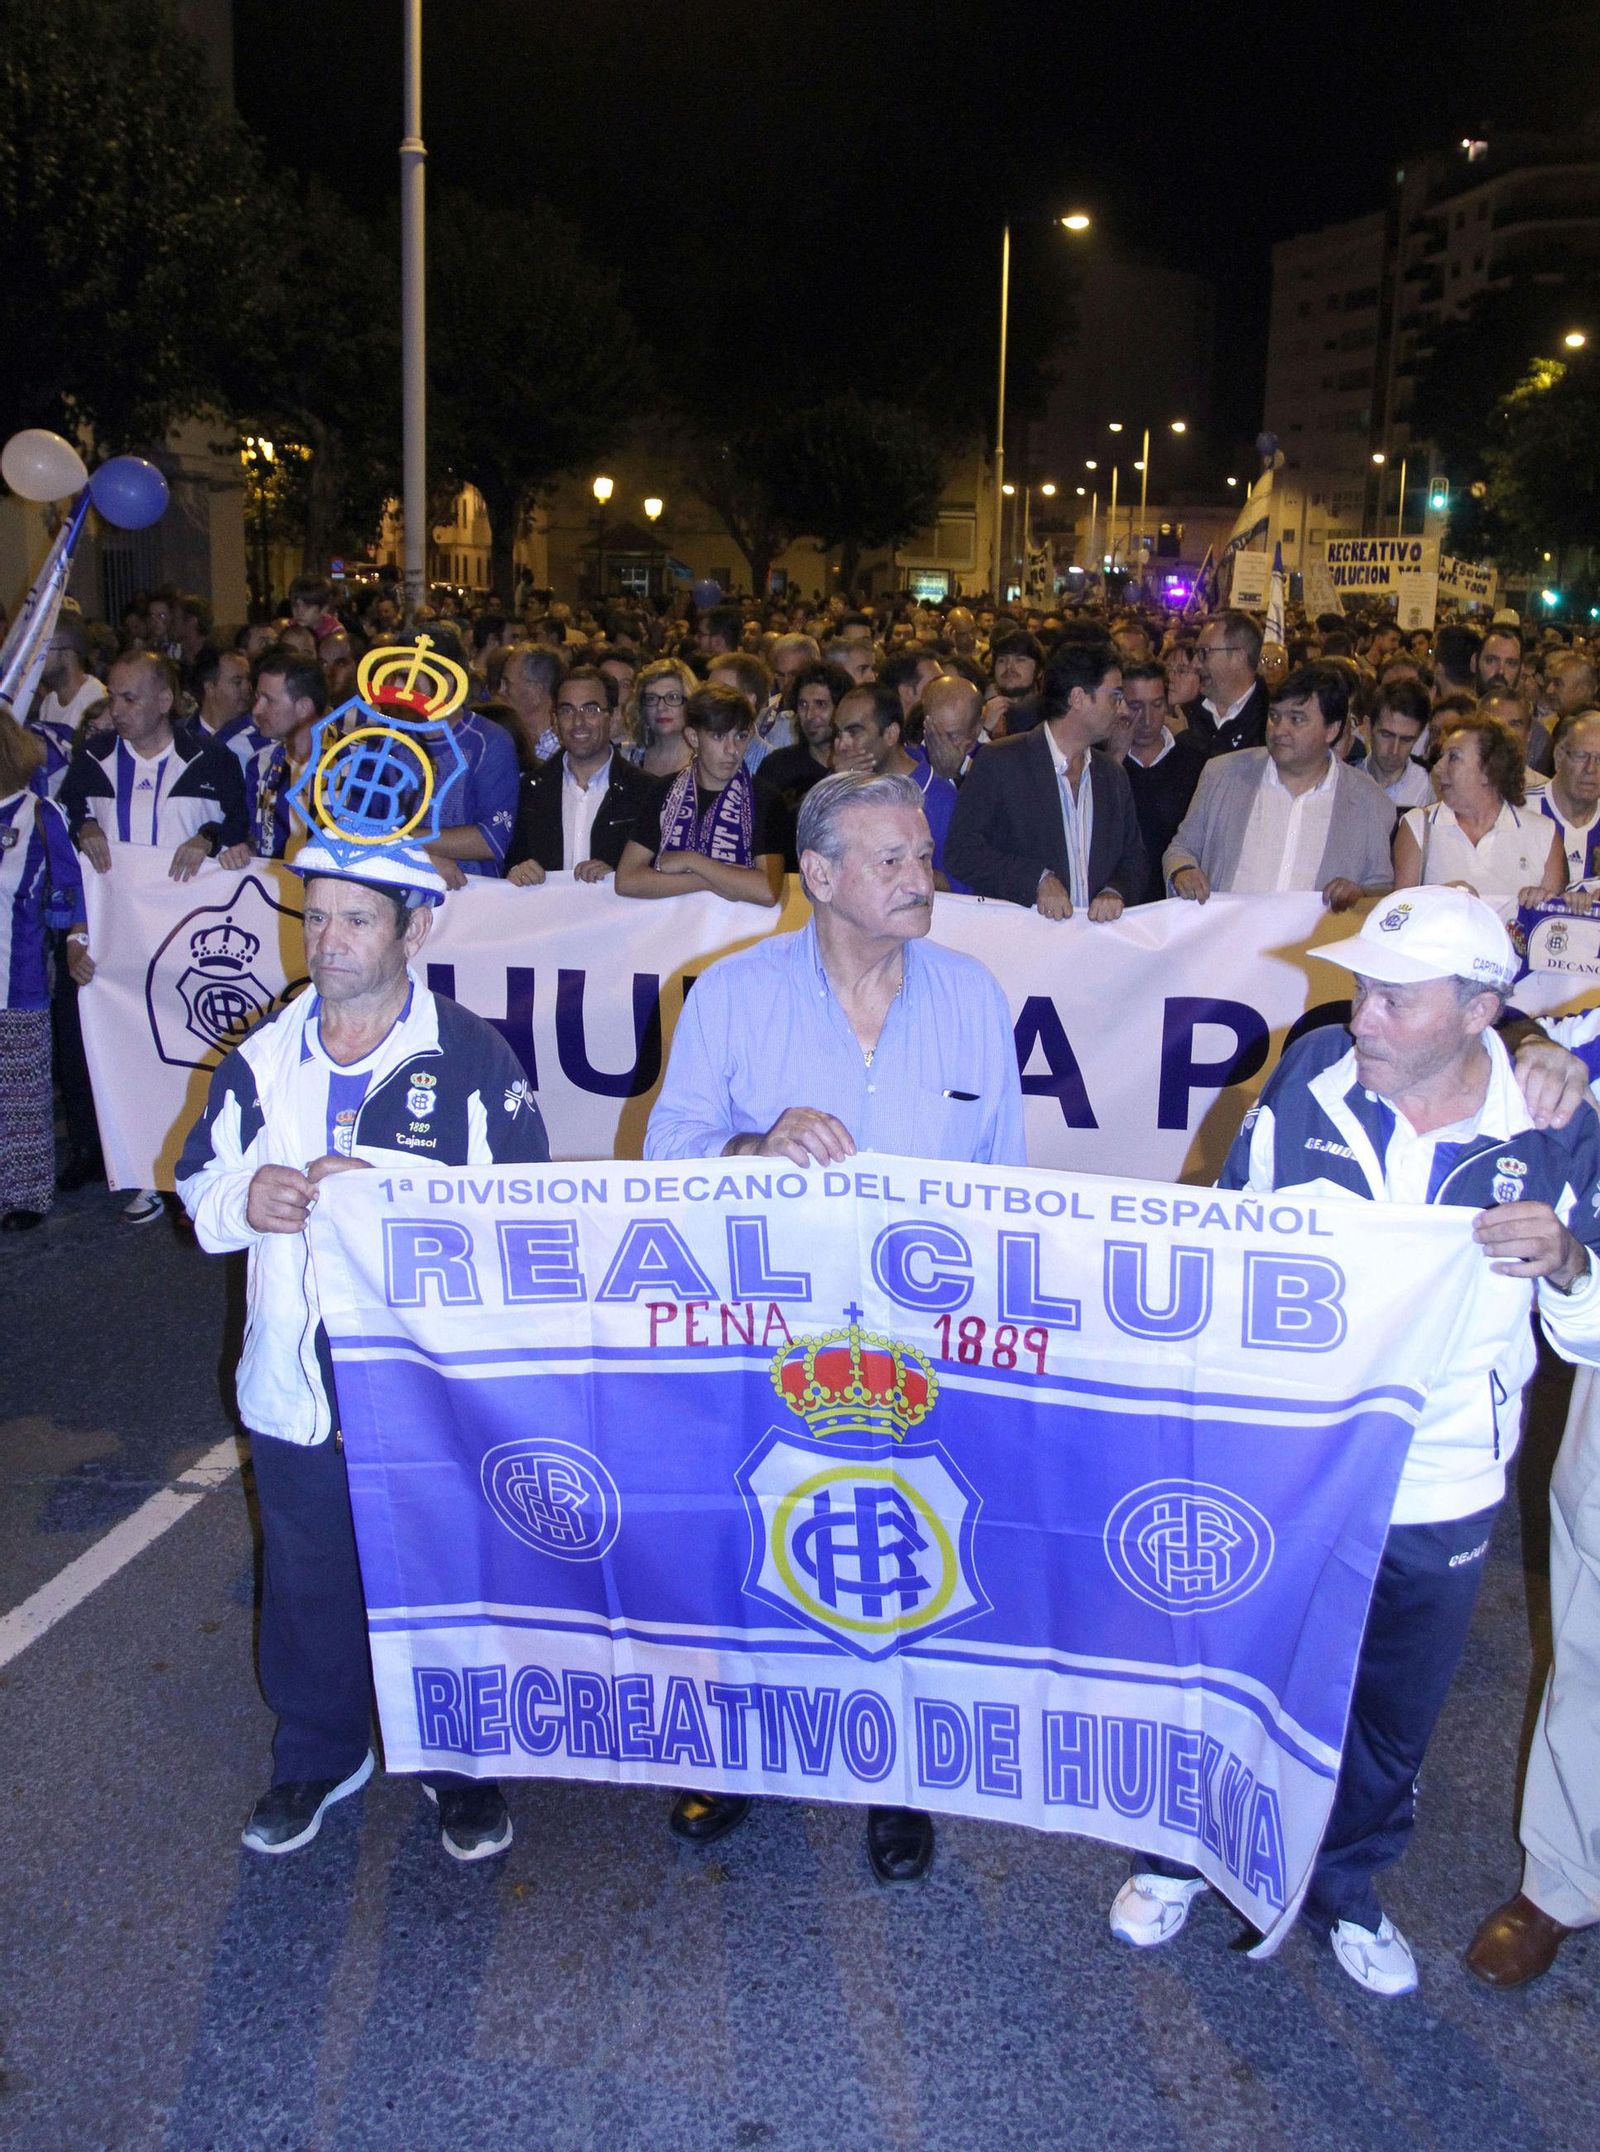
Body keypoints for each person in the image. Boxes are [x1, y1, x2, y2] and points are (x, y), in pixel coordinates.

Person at [1110, 887, 1600, 1996]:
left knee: (1390, 1710)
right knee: (1232, 1667)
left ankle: (1347, 1886)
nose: (1359, 1015)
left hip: (1444, 1477)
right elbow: (1227, 1249)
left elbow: (1591, 1327)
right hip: (1291, 1460)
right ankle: (1179, 1853)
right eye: (1361, 987)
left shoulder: (1553, 1126)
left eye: (1391, 996)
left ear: (1479, 1011)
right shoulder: (1305, 1076)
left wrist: (1568, 1265)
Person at [645, 768, 1024, 1885]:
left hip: (918, 1348)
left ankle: (896, 1768)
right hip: (769, 1340)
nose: (923, 879)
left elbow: (1003, 1178)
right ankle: (750, 1745)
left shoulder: (972, 995)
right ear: (818, 875)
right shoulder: (728, 994)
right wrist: (749, 1148)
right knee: (756, 1538)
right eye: (893, 861)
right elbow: (667, 1156)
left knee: (909, 1548)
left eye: (921, 856)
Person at [176, 817, 551, 1864]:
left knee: (444, 1566)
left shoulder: (471, 1056)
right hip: (298, 1371)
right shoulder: (260, 1055)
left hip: (428, 1383)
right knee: (309, 1569)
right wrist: (246, 1197)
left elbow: (524, 1216)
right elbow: (198, 1190)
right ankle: (319, 1749)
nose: (327, 940)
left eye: (355, 920)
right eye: (317, 917)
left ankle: (459, 1760)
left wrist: (389, 1201)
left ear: (413, 928)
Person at [1163, 664, 1395, 911]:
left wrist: (1358, 895)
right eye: (1274, 717)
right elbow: (1181, 849)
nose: (1279, 730)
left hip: (1310, 945)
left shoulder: (1368, 800)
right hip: (1229, 941)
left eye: (1296, 719)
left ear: (1332, 730)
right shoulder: (1223, 775)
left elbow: (1380, 886)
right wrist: (1183, 871)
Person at [945, 639, 1146, 920]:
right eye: (1114, 696)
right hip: (1026, 943)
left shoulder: (1111, 775)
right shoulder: (1001, 762)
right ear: (1078, 698)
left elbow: (1134, 858)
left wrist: (1116, 890)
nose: (1122, 709)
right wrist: (1036, 879)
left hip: (1097, 944)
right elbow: (962, 852)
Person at [0, 712, 92, 1230]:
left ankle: (26, 1194)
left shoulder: (38, 813)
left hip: (19, 977)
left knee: (21, 1095)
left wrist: (74, 936)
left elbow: (71, 883)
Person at [615, 683, 783, 908]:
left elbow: (767, 891)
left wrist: (692, 861)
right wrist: (707, 881)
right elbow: (627, 880)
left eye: (741, 736)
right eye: (718, 736)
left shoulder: (765, 797)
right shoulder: (664, 790)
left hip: (740, 937)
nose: (732, 749)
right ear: (693, 738)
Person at [1393, 710, 1564, 922]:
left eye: (1453, 757)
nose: (1438, 767)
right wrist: (1439, 898)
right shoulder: (1419, 827)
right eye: (1441, 756)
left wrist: (1541, 903)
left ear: (1489, 770)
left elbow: (1552, 927)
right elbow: (1399, 916)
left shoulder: (1543, 833)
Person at [505, 665, 656, 884]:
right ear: (555, 721)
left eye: (590, 710)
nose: (578, 722)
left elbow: (658, 868)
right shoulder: (530, 790)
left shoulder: (645, 791)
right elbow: (510, 861)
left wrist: (617, 875)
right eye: (567, 710)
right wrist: (518, 870)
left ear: (612, 718)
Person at [1106, 661, 1207, 904]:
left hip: (1176, 903)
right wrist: (1115, 758)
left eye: (1157, 704)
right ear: (1118, 704)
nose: (1147, 719)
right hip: (1115, 901)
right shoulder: (1097, 762)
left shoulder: (1196, 761)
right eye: (1135, 706)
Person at [755, 660, 849, 869]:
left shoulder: (861, 766)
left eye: (821, 704)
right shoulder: (777, 766)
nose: (810, 716)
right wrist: (832, 778)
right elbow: (766, 834)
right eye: (803, 705)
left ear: (842, 708)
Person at [242, 649, 329, 861]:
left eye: (268, 700)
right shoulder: (260, 764)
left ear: (304, 708)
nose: (256, 710)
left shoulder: (355, 764)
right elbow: (257, 837)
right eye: (257, 698)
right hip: (275, 890)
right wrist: (244, 849)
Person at [1188, 611, 1268, 754]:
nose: (1195, 664)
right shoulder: (1185, 713)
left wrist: (1187, 740)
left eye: (1204, 652)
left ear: (1239, 657)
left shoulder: (1271, 721)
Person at [1537, 710, 1600, 886]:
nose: (1591, 769)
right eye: (1581, 756)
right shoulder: (1521, 811)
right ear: (1559, 757)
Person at [624, 656, 697, 782]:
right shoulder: (627, 759)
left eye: (672, 697)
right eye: (651, 698)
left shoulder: (706, 763)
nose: (661, 707)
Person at [1365, 677, 1433, 809]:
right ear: (1368, 728)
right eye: (1386, 735)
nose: (1394, 750)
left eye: (1406, 740)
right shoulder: (1345, 781)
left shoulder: (1429, 787)